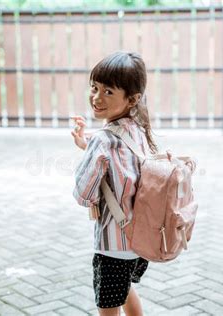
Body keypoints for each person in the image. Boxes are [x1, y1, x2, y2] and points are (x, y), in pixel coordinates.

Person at [71, 51, 158, 316]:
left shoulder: (103, 139)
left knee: (108, 307)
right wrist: (87, 146)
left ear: (132, 98)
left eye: (108, 92)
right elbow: (124, 169)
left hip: (112, 245)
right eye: (95, 87)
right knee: (126, 288)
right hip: (140, 241)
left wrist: (90, 153)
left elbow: (83, 194)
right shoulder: (138, 129)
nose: (97, 97)